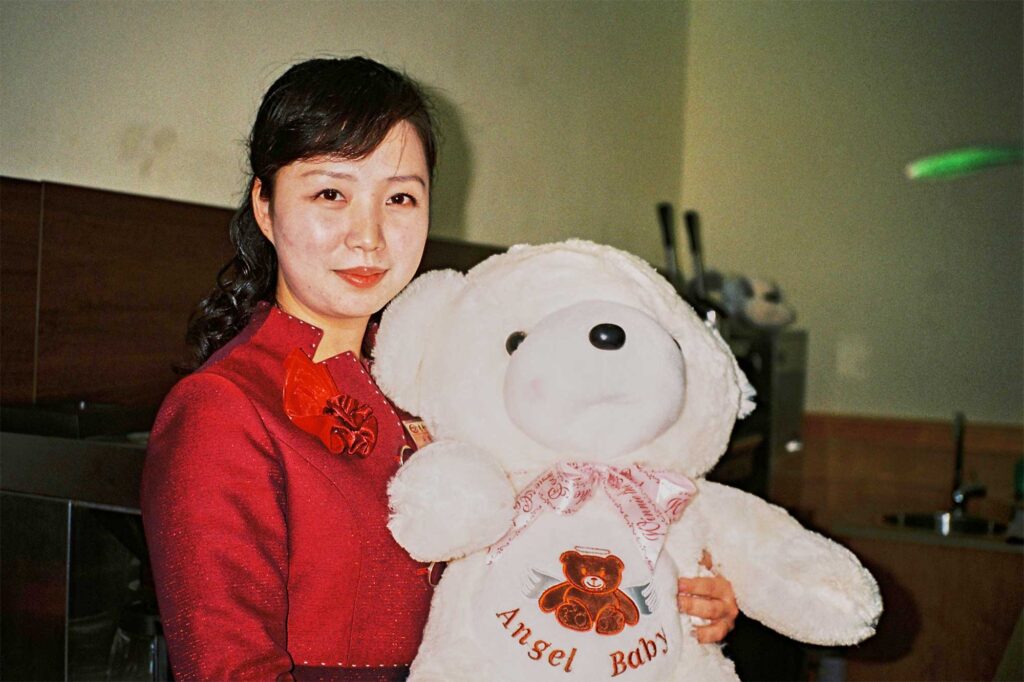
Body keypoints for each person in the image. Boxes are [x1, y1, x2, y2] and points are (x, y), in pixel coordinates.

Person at [141, 56, 738, 682]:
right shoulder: (221, 408)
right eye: (330, 194)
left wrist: (673, 600)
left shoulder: (446, 381)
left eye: (399, 197)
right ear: (265, 207)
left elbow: (555, 550)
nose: (368, 236)